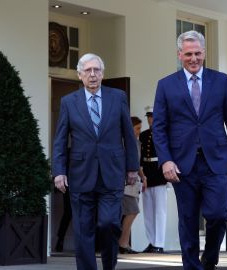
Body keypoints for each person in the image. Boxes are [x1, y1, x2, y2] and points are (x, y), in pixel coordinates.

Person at [152, 30, 227, 270]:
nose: (193, 58)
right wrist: (165, 161)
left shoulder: (222, 81)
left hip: (216, 161)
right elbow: (159, 128)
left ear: (204, 53)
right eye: (188, 54)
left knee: (217, 215)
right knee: (188, 220)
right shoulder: (165, 85)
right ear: (179, 54)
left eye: (198, 53)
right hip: (182, 165)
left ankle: (210, 258)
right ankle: (191, 266)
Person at [52, 53, 139, 270]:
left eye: (97, 70)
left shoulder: (117, 97)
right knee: (83, 231)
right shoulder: (69, 102)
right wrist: (59, 171)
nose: (93, 75)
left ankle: (109, 264)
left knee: (109, 223)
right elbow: (60, 139)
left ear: (102, 73)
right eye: (88, 71)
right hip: (80, 174)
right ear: (80, 75)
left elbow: (128, 135)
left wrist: (132, 167)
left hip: (112, 173)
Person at [140, 111, 168, 254]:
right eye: (149, 118)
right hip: (147, 173)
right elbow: (141, 156)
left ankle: (159, 243)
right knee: (148, 211)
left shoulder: (164, 133)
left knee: (160, 211)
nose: (150, 120)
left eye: (152, 117)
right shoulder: (143, 135)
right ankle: (151, 242)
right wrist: (142, 175)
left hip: (159, 173)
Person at [119, 117, 147, 254]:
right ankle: (123, 243)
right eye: (137, 128)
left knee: (130, 211)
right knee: (132, 211)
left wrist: (143, 177)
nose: (139, 131)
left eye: (140, 128)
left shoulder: (137, 142)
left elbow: (137, 163)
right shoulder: (125, 142)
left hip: (134, 182)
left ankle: (124, 243)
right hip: (126, 182)